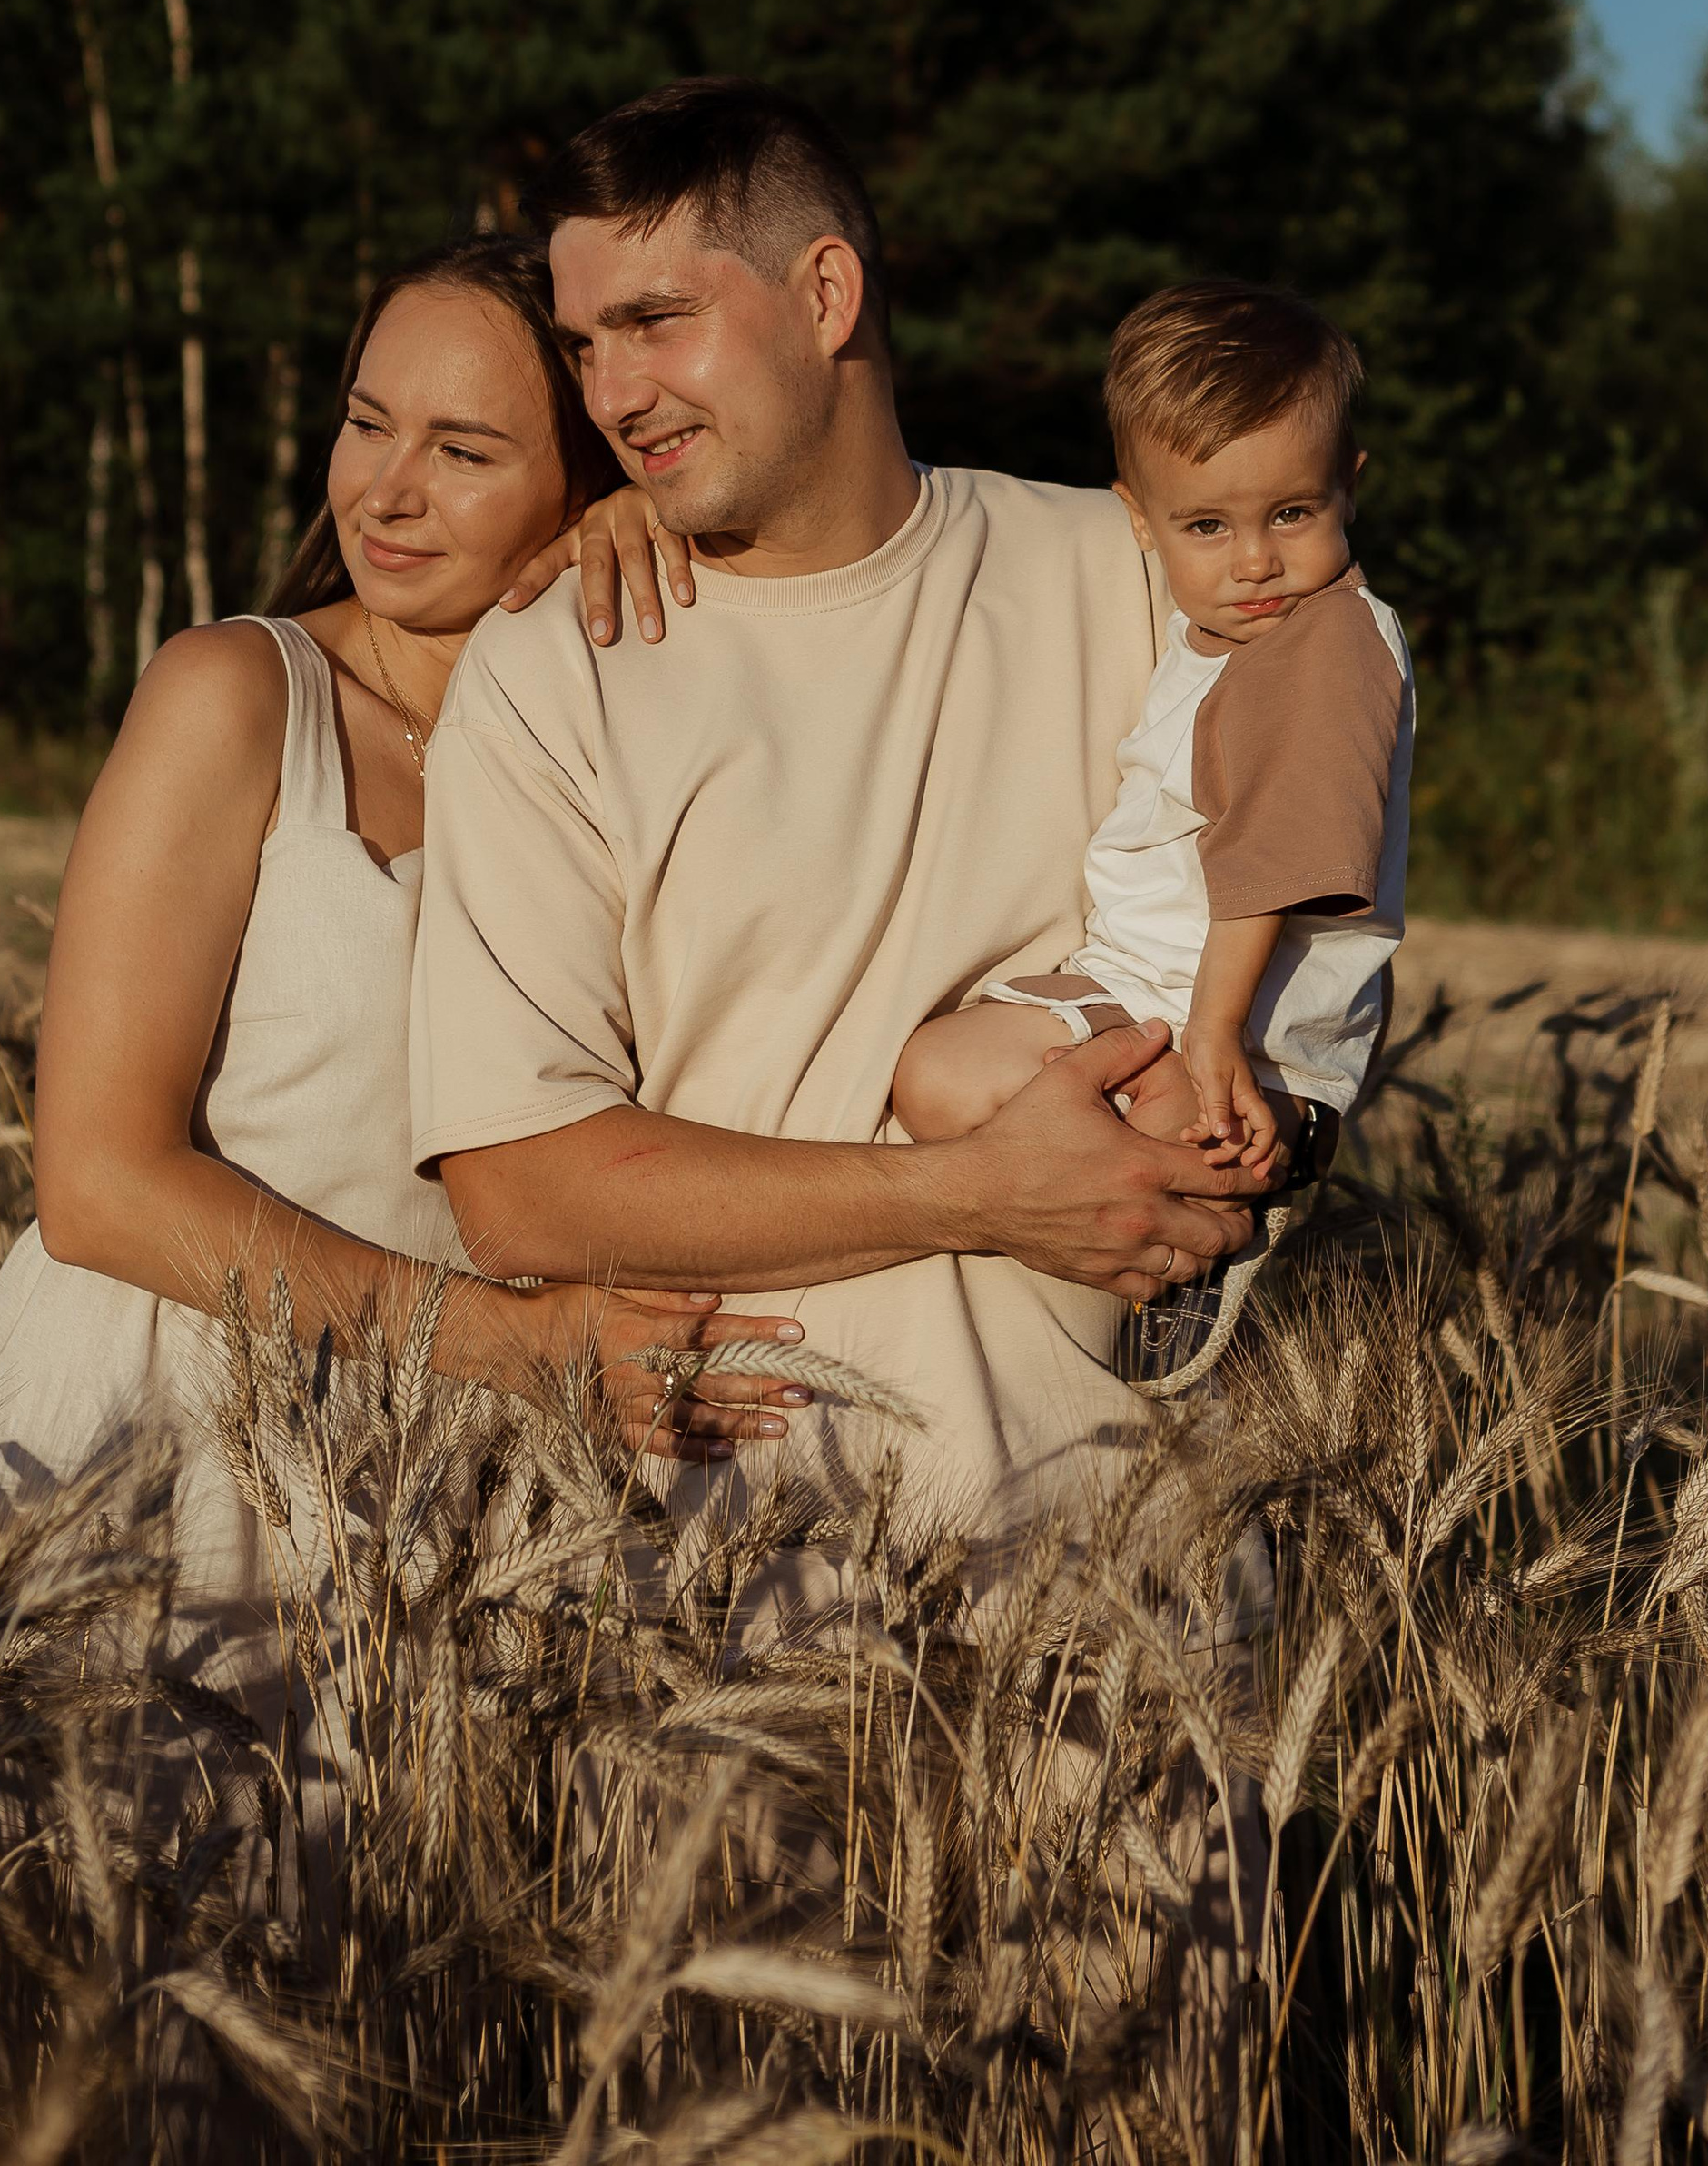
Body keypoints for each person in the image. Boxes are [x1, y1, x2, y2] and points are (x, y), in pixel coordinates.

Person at [0, 239, 810, 1717]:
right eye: (368, 423)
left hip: (454, 1503)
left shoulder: (625, 749)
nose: (384, 490)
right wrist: (515, 1345)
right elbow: (96, 1183)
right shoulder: (239, 696)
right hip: (153, 1465)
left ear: (586, 489)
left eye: (465, 452)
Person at [411, 83, 1285, 1532]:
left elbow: (1324, 883)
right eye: (583, 347)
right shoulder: (557, 662)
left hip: (1126, 1558)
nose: (612, 395)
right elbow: (518, 1186)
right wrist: (974, 1191)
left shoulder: (1135, 576)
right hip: (720, 1573)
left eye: (655, 322)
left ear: (826, 295)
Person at [889, 281, 1411, 1195]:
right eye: (1207, 526)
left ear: (1349, 488)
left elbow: (1276, 856)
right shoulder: (1227, 634)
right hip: (1145, 988)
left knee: (1151, 1153)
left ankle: (1211, 1171)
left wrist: (1214, 1032)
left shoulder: (1323, 643)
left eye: (1291, 513)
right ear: (1138, 517)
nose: (1255, 561)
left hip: (1225, 1019)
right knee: (938, 1080)